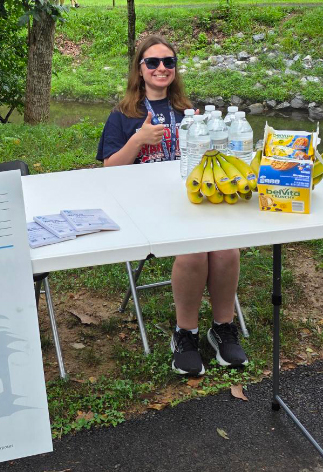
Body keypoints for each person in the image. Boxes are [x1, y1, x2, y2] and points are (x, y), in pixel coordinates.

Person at [96, 34, 248, 376]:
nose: (161, 68)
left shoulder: (188, 113)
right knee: (194, 252)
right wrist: (137, 140)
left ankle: (223, 327)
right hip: (145, 206)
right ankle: (186, 333)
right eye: (153, 62)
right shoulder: (123, 116)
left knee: (226, 249)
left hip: (192, 199)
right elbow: (108, 170)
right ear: (140, 69)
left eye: (168, 62)